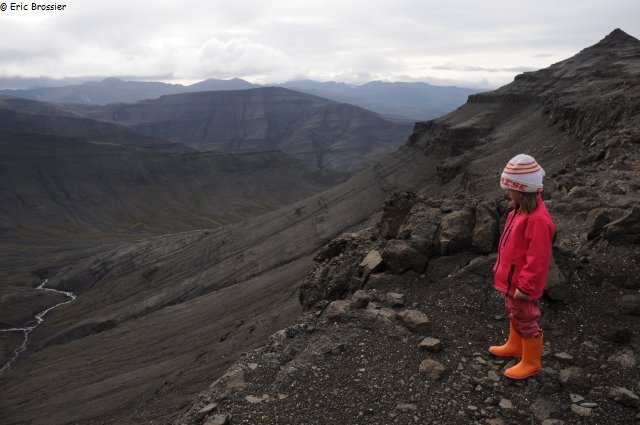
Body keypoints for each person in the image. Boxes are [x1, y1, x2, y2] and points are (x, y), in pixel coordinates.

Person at [489, 154, 556, 379]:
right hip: (512, 280)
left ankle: (531, 362)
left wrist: (526, 287)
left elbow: (537, 259)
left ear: (523, 189)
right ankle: (515, 346)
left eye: (511, 189)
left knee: (526, 318)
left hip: (521, 284)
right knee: (515, 313)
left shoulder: (537, 220)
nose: (508, 193)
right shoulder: (518, 212)